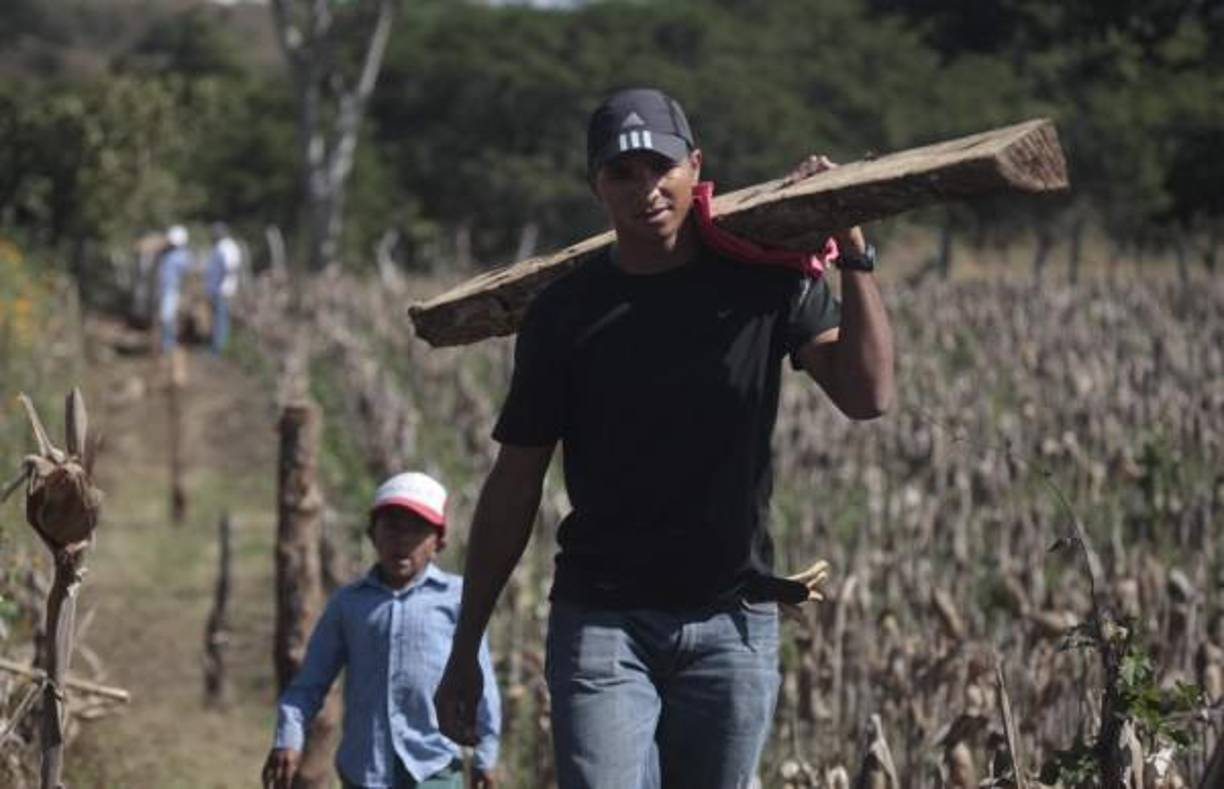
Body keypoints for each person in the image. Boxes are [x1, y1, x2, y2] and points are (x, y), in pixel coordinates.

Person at [434, 87, 895, 788]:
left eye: (660, 166)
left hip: (733, 624)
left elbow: (867, 395)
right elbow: (515, 480)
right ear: (597, 187)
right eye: (622, 173)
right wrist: (466, 642)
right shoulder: (566, 312)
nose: (645, 187)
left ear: (695, 167)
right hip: (604, 621)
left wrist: (853, 249)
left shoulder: (764, 280)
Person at [263, 472, 501, 789]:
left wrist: (486, 755)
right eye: (391, 527)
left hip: (434, 767)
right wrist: (288, 739)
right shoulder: (348, 604)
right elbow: (308, 685)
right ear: (372, 534)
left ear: (437, 542)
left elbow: (480, 681)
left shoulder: (457, 599)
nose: (402, 540)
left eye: (416, 530)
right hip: (364, 768)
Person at [203, 222, 242, 353]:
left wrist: (222, 286)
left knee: (221, 319)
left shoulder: (227, 247)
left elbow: (229, 269)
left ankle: (219, 348)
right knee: (218, 319)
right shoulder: (222, 246)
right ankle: (216, 346)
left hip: (222, 290)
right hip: (218, 289)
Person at [156, 224, 194, 352]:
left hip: (172, 289)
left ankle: (168, 343)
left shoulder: (182, 256)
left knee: (168, 316)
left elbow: (186, 273)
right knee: (166, 315)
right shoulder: (169, 254)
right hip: (166, 288)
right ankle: (166, 342)